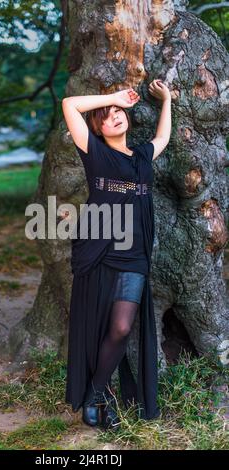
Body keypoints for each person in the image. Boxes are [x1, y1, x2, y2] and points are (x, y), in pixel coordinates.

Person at [62, 80, 172, 430]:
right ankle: (96, 395)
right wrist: (112, 97)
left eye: (120, 113)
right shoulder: (94, 151)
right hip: (99, 249)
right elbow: (69, 104)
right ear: (98, 128)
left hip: (135, 255)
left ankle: (95, 393)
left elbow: (163, 138)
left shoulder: (141, 156)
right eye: (108, 117)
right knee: (97, 325)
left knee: (122, 327)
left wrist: (166, 99)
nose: (116, 117)